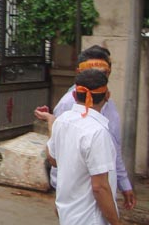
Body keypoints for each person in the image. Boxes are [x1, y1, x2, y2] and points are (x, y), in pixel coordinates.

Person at [34, 45, 136, 211]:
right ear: (79, 73)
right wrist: (62, 193)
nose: (97, 77)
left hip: (102, 186)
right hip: (78, 193)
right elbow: (58, 154)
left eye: (102, 73)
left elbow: (114, 147)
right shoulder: (67, 104)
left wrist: (124, 183)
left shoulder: (108, 104)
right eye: (91, 72)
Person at [38, 69, 124, 225]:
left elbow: (53, 159)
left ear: (74, 95)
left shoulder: (62, 121)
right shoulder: (97, 132)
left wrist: (51, 122)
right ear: (107, 96)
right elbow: (100, 187)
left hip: (68, 219)